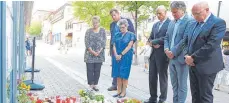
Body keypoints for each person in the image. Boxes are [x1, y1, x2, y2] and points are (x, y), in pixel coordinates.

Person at [181, 1, 226, 103]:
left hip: (207, 65)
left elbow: (212, 45)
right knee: (195, 95)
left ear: (207, 10)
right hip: (192, 64)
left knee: (205, 96)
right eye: (193, 14)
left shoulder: (218, 22)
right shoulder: (193, 23)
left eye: (197, 13)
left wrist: (193, 57)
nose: (195, 16)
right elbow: (185, 41)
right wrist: (186, 56)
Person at [164, 1, 193, 103]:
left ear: (182, 10)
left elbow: (185, 39)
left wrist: (173, 52)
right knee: (174, 85)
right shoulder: (172, 22)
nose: (173, 14)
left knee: (182, 85)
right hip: (171, 58)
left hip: (181, 58)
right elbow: (167, 37)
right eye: (172, 12)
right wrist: (166, 49)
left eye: (175, 12)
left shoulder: (190, 21)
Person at [144, 5, 171, 103]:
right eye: (157, 13)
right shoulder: (155, 25)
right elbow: (150, 38)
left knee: (162, 78)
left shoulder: (170, 24)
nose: (158, 15)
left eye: (160, 13)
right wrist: (152, 43)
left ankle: (162, 99)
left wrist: (155, 42)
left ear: (165, 12)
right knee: (152, 77)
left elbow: (168, 38)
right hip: (153, 54)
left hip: (163, 55)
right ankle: (153, 98)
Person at [108, 8, 135, 91]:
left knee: (124, 68)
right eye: (112, 16)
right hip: (115, 49)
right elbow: (112, 37)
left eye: (114, 15)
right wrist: (110, 49)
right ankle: (115, 85)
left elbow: (132, 34)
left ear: (118, 14)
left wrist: (130, 47)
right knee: (115, 67)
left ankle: (123, 88)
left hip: (125, 50)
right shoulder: (112, 24)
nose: (113, 17)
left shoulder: (127, 21)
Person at [112, 19, 136, 98]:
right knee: (118, 74)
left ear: (126, 26)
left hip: (126, 57)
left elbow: (129, 46)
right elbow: (114, 45)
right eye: (120, 27)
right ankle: (118, 91)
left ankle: (124, 92)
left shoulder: (131, 34)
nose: (121, 29)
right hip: (117, 57)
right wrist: (116, 55)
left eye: (123, 27)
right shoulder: (117, 35)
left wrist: (121, 54)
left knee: (124, 75)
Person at [84, 16, 107, 91]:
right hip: (89, 55)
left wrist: (99, 51)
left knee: (97, 70)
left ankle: (95, 85)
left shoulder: (103, 31)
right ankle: (91, 85)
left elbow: (104, 42)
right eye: (93, 23)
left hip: (99, 55)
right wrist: (93, 52)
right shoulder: (88, 31)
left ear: (99, 22)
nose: (95, 24)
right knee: (90, 70)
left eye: (96, 23)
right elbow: (87, 43)